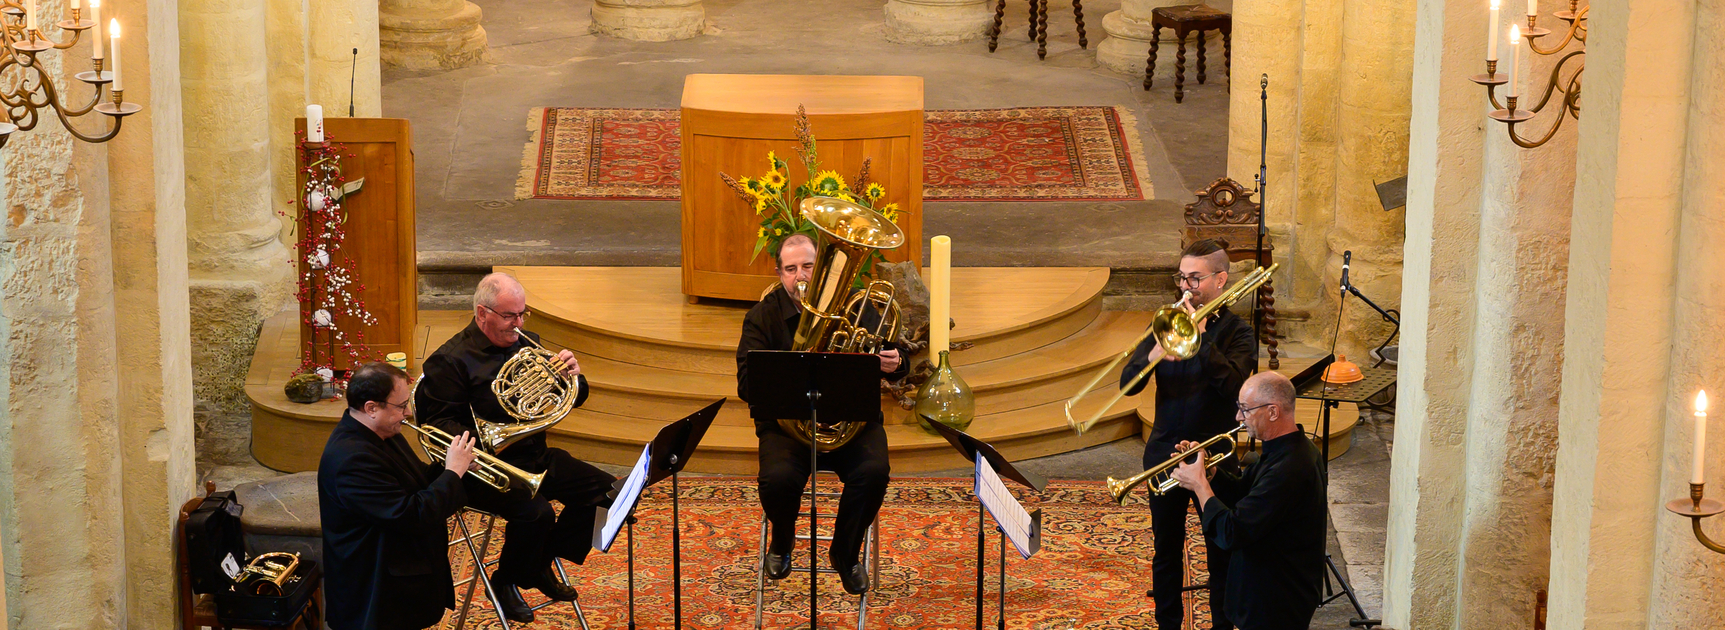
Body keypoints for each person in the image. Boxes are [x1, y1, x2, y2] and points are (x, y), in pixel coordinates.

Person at [415, 272, 617, 623]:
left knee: (607, 492)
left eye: (523, 314)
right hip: (482, 469)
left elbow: (572, 399)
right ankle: (506, 580)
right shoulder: (449, 361)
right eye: (510, 316)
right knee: (537, 513)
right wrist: (487, 440)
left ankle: (536, 565)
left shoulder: (527, 342)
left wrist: (575, 378)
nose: (518, 324)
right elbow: (439, 427)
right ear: (482, 314)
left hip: (534, 458)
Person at [737, 233, 908, 595]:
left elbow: (896, 355)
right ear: (780, 273)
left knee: (874, 472)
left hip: (852, 423)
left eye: (808, 267)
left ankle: (845, 554)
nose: (800, 276)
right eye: (791, 268)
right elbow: (747, 385)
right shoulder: (761, 318)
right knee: (777, 479)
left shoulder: (855, 306)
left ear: (821, 271)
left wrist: (895, 363)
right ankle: (782, 542)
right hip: (788, 427)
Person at [1119, 238, 1257, 630]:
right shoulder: (1165, 323)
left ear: (1220, 279)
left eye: (1195, 279)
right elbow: (1127, 386)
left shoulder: (1238, 333)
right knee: (1166, 550)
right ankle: (1168, 625)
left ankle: (1222, 626)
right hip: (1164, 450)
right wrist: (1152, 355)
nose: (1186, 288)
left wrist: (1201, 341)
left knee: (1221, 548)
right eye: (1182, 278)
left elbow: (1234, 389)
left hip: (1214, 456)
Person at [319, 362, 477, 630]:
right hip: (377, 591)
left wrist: (453, 466)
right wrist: (452, 472)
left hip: (400, 575)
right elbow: (412, 515)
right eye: (401, 406)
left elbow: (415, 480)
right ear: (371, 408)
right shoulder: (351, 459)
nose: (407, 414)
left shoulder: (381, 431)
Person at [1170, 371, 1326, 630]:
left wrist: (1199, 486)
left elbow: (1232, 531)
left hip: (1277, 600)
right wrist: (1211, 473)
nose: (1238, 418)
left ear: (1273, 412)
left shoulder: (1289, 469)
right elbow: (1244, 493)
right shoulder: (1287, 448)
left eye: (1245, 409)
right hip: (1266, 588)